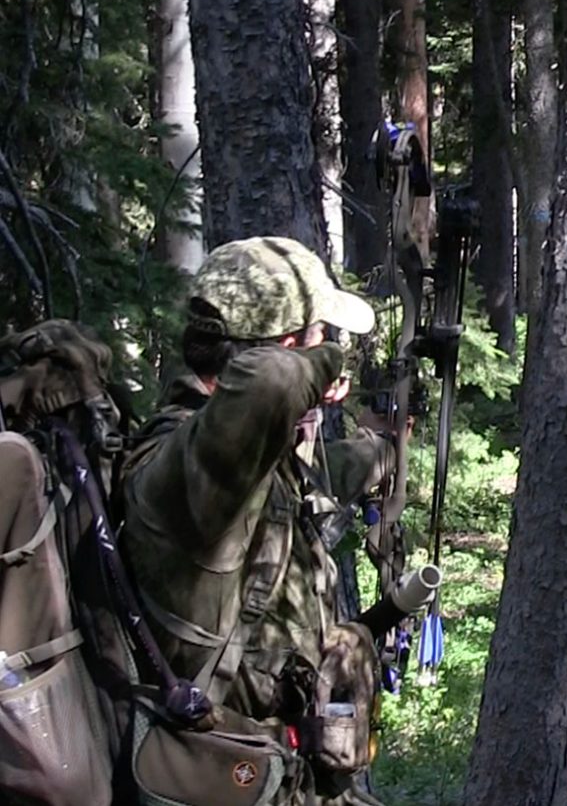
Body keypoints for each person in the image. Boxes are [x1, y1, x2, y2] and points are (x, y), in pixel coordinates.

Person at [120, 236, 399, 804]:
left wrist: (386, 452)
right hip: (228, 777)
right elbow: (269, 386)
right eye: (323, 337)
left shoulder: (254, 458)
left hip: (288, 776)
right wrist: (314, 368)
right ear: (288, 347)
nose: (334, 352)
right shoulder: (188, 473)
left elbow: (321, 474)